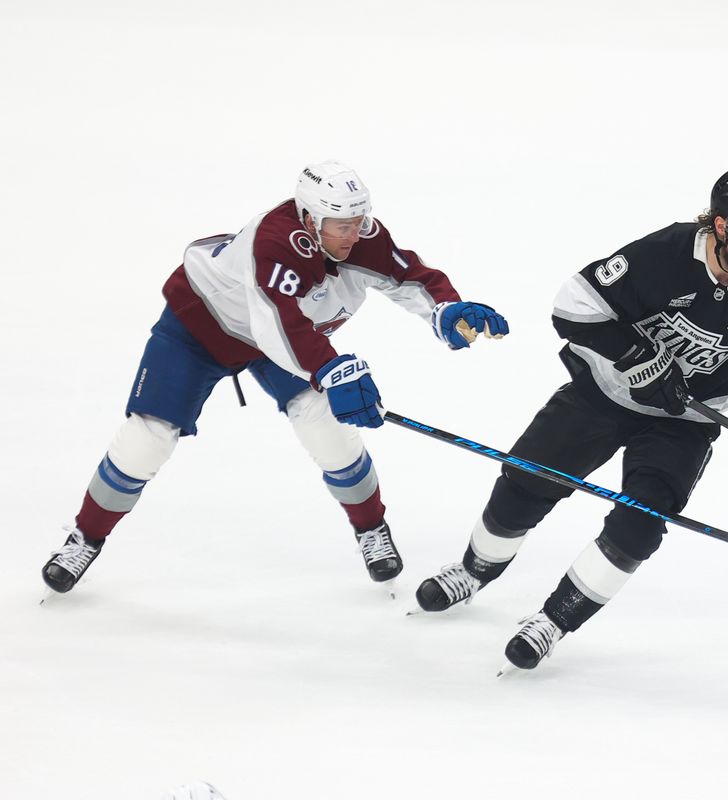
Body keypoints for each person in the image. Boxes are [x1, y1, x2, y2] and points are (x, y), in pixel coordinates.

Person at [413, 168, 728, 670]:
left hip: (685, 422)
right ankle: (474, 570)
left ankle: (553, 621)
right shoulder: (665, 254)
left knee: (641, 524)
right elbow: (572, 305)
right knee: (527, 480)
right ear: (721, 226)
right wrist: (637, 357)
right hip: (603, 394)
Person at [41, 161, 508, 595]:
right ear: (309, 219)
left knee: (327, 428)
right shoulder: (274, 242)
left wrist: (446, 309)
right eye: (341, 226)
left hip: (285, 338)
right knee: (148, 438)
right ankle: (85, 537)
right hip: (200, 328)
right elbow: (276, 324)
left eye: (358, 222)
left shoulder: (362, 236)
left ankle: (370, 528)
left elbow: (408, 276)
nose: (352, 235)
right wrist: (330, 368)